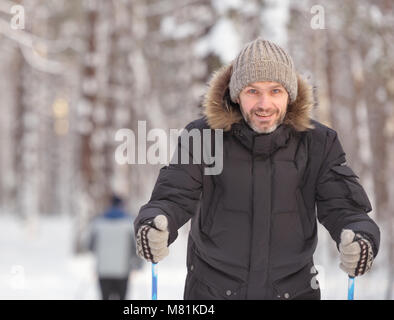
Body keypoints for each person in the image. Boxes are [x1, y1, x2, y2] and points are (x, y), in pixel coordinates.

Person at [134, 38, 380, 300]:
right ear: (236, 94)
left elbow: (344, 206)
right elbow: (173, 196)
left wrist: (361, 236)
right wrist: (154, 223)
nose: (264, 104)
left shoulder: (318, 142)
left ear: (290, 94)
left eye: (275, 91)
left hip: (293, 292)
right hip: (211, 292)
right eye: (253, 91)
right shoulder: (203, 137)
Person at [89, 195, 141, 300]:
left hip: (103, 271)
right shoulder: (129, 223)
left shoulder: (98, 222)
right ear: (121, 205)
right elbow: (135, 247)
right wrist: (138, 264)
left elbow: (90, 245)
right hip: (123, 271)